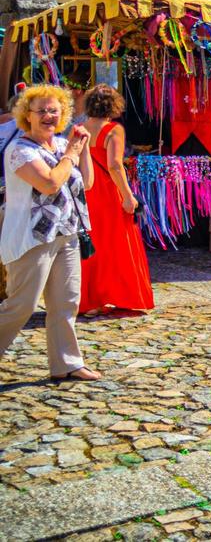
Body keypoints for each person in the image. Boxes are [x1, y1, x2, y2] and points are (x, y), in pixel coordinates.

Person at [0, 84, 100, 381]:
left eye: (53, 110)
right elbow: (50, 184)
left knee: (66, 302)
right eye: (40, 110)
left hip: (66, 232)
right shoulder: (20, 150)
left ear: (63, 114)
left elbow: (88, 183)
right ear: (26, 116)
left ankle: (67, 362)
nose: (48, 115)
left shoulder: (58, 145)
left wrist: (84, 148)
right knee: (21, 305)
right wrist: (71, 152)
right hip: (31, 237)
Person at [77, 85, 152, 316]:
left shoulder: (79, 128)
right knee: (115, 244)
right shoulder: (113, 129)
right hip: (109, 192)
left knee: (90, 245)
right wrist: (128, 196)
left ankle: (90, 300)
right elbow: (114, 165)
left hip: (87, 191)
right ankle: (116, 295)